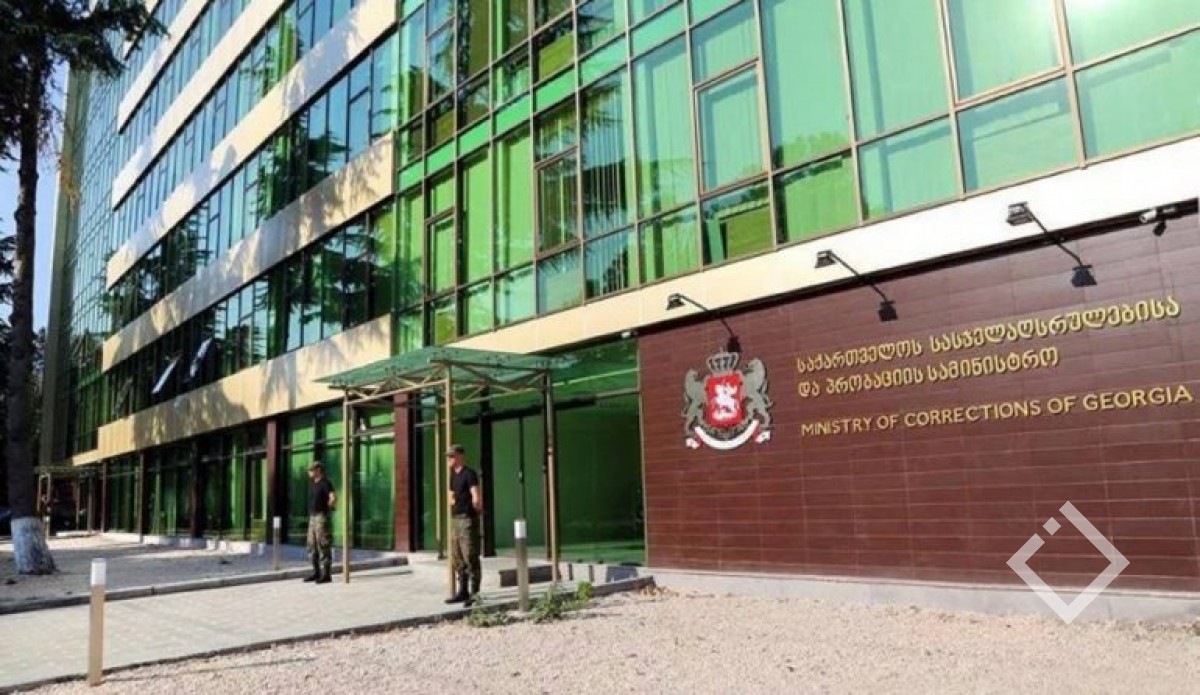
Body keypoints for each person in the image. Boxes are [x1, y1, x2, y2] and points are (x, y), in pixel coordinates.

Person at [444, 444, 483, 605]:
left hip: (467, 519)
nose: (449, 459)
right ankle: (463, 591)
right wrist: (452, 503)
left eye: (451, 456)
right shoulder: (453, 476)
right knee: (457, 556)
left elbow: (476, 496)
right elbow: (451, 497)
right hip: (456, 519)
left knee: (470, 556)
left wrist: (475, 512)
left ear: (460, 456)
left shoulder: (469, 474)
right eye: (448, 456)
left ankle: (475, 593)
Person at [304, 462, 336, 584]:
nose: (309, 472)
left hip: (321, 517)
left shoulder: (325, 483)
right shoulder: (313, 484)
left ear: (318, 470)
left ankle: (326, 574)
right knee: (311, 545)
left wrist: (331, 503)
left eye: (311, 470)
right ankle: (316, 572)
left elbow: (332, 496)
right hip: (312, 517)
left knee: (323, 544)